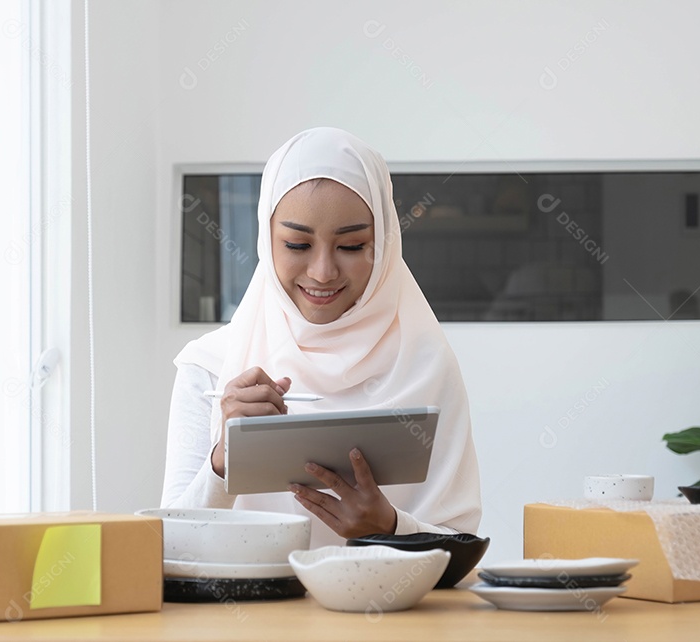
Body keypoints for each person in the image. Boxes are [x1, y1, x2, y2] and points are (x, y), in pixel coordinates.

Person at [161, 127, 482, 548]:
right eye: (297, 244)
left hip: (389, 612)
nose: (322, 272)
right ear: (266, 238)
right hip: (246, 613)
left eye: (351, 246)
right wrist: (223, 462)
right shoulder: (210, 368)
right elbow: (169, 545)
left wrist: (389, 527)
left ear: (383, 245)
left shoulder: (425, 365)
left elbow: (460, 544)